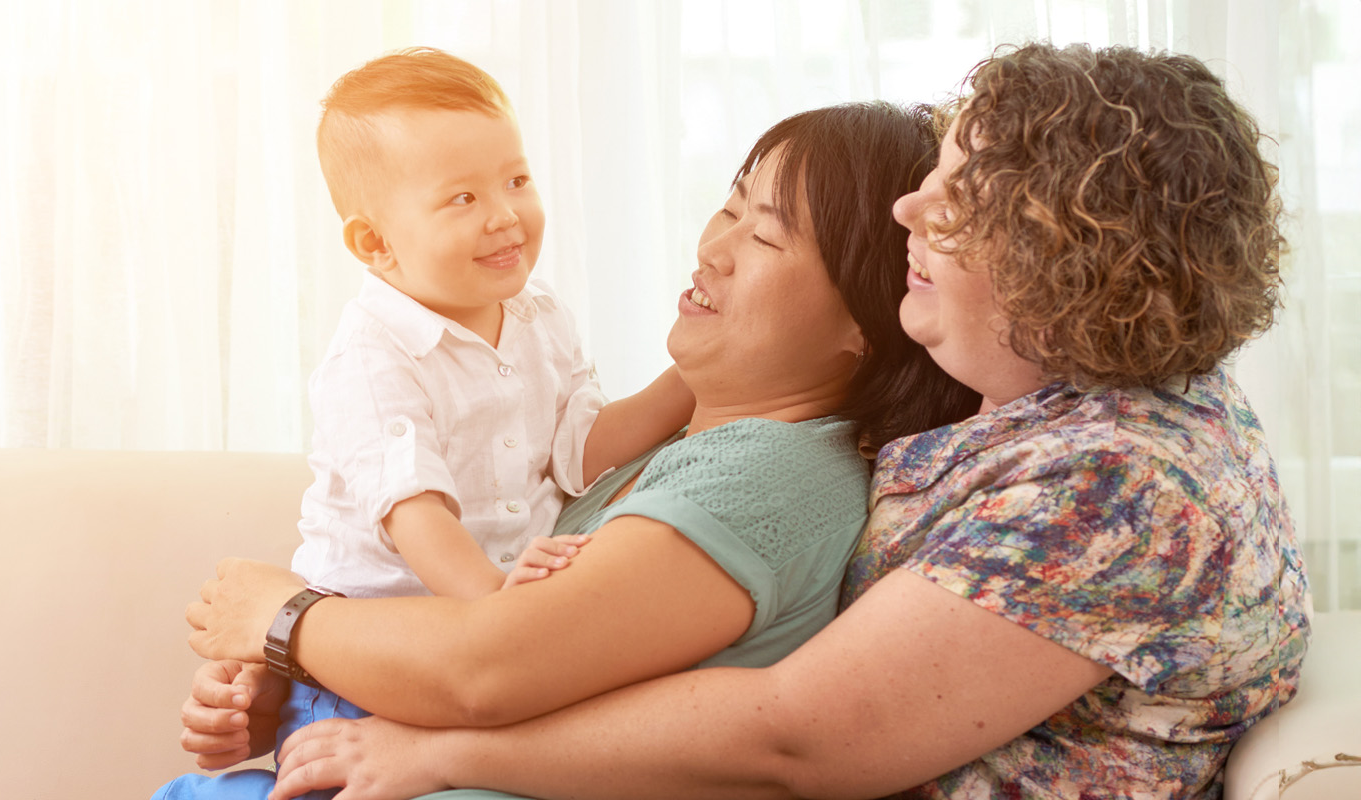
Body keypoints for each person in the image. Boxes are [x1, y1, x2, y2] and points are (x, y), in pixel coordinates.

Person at [182, 43, 1310, 800]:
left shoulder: (1113, 483)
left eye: (955, 201)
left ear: (1052, 263)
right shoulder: (1067, 412)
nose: (911, 204)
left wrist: (288, 623)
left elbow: (791, 726)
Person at [174, 97, 979, 786]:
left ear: (870, 323)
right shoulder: (660, 452)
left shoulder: (775, 474)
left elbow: (485, 669)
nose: (712, 247)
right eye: (729, 207)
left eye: (764, 237)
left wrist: (282, 617)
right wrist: (292, 686)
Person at [151, 48, 707, 800]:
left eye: (516, 179)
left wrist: (693, 380)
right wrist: (500, 608)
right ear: (375, 244)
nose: (505, 214)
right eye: (461, 199)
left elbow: (581, 451)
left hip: (487, 647)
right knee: (345, 782)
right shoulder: (373, 356)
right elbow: (416, 514)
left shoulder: (541, 316)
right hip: (372, 661)